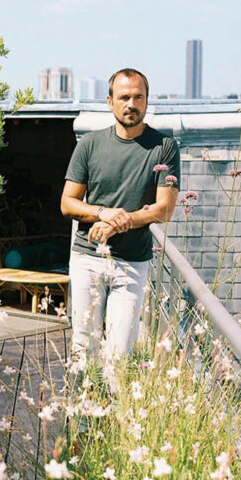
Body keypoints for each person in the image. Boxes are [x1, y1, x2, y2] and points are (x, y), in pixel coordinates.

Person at [60, 67, 180, 377]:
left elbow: (164, 209)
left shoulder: (164, 147)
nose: (131, 103)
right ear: (110, 101)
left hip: (132, 262)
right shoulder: (90, 144)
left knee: (119, 352)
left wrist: (119, 222)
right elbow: (67, 203)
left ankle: (111, 421)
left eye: (138, 97)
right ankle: (81, 421)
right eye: (124, 97)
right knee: (83, 346)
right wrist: (103, 214)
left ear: (147, 101)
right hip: (87, 257)